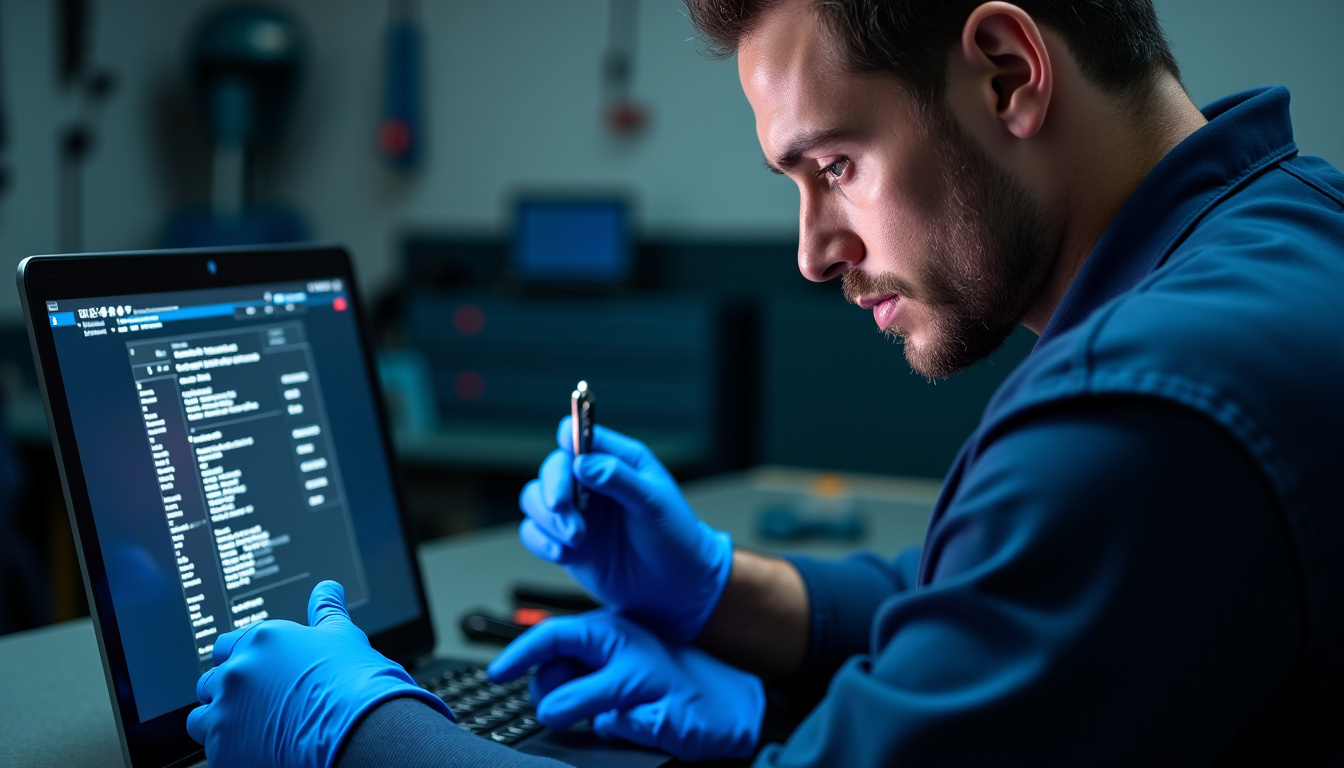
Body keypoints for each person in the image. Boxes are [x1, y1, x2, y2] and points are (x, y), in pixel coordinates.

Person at [186, 0, 1344, 765]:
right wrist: (719, 591)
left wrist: (356, 733)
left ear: (1006, 73)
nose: (812, 252)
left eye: (835, 164)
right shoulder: (1290, 232)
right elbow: (1000, 592)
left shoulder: (1145, 406)